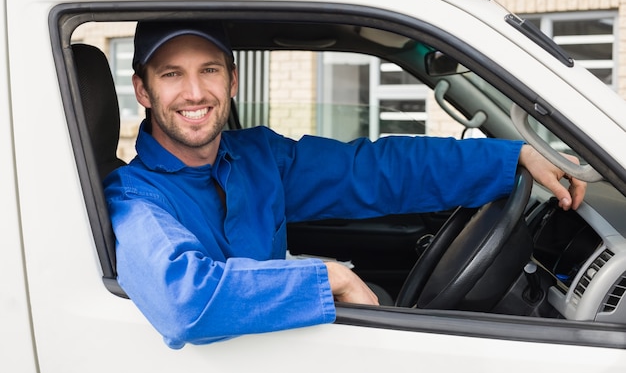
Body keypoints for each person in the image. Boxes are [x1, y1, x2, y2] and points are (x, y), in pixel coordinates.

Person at [103, 20, 586, 349]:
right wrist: (328, 277)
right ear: (144, 89)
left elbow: (373, 170)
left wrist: (511, 156)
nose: (194, 92)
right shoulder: (134, 196)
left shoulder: (258, 158)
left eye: (208, 70)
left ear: (232, 80)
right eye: (172, 74)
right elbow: (186, 301)